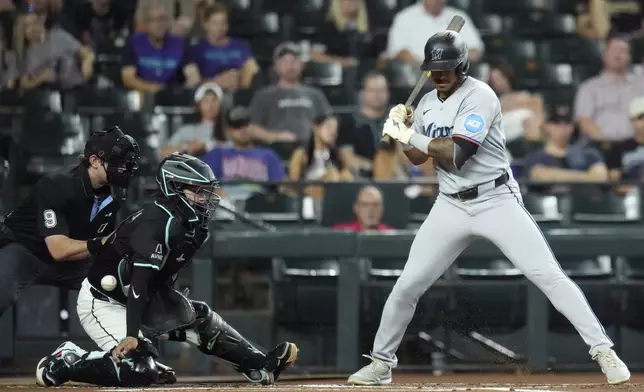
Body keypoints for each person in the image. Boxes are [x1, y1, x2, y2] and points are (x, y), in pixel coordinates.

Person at [347, 31, 630, 386]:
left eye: (447, 67)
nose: (439, 74)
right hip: (450, 203)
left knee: (546, 274)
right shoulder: (427, 104)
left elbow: (456, 153)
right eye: (434, 68)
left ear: (463, 65)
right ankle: (381, 363)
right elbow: (419, 157)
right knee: (407, 285)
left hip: (495, 200)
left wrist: (408, 135)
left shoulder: (480, 95)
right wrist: (404, 128)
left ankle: (603, 349)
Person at [35, 153, 298, 388]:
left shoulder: (193, 227)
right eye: (197, 190)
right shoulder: (156, 222)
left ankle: (259, 364)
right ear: (175, 189)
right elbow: (139, 280)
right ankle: (66, 361)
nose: (205, 197)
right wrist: (131, 335)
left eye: (205, 191)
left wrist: (166, 301)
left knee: (199, 317)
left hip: (139, 296)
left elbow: (157, 275)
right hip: (104, 301)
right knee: (138, 369)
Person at [0, 126, 140, 317]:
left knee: (126, 279)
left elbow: (101, 242)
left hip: (72, 261)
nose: (125, 169)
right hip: (25, 251)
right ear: (95, 161)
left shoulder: (116, 192)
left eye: (127, 164)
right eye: (119, 163)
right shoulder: (56, 185)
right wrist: (104, 242)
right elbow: (59, 250)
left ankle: (146, 334)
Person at [249, 42, 332, 144]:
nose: (290, 66)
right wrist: (276, 137)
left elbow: (329, 121)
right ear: (276, 67)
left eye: (294, 61)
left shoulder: (315, 94)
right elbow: (253, 129)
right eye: (285, 62)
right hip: (279, 149)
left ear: (301, 65)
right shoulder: (264, 95)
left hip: (310, 149)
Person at [201, 106, 286, 200]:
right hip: (226, 204)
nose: (243, 129)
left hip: (258, 204)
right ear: (229, 131)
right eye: (237, 126)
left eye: (246, 124)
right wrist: (216, 192)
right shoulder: (217, 154)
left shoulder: (268, 155)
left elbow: (281, 187)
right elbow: (203, 184)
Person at [121, 3, 200, 93]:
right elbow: (128, 78)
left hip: (173, 98)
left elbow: (194, 77)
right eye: (155, 20)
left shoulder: (180, 44)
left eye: (163, 19)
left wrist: (180, 93)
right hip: (143, 96)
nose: (160, 24)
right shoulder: (134, 43)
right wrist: (152, 88)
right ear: (146, 23)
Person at [191, 3, 259, 91]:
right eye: (215, 23)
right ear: (205, 24)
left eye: (223, 23)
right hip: (209, 91)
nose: (220, 28)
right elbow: (193, 82)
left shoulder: (240, 46)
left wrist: (240, 80)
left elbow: (253, 71)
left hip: (238, 90)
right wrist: (217, 81)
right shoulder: (197, 49)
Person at [287, 114, 352, 199]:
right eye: (329, 127)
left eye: (335, 129)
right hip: (307, 199)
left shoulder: (340, 155)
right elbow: (293, 184)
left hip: (334, 198)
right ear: (316, 127)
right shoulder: (301, 154)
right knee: (332, 175)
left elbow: (347, 177)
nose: (333, 132)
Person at [159, 82, 226, 158]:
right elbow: (162, 153)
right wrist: (187, 147)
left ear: (220, 103)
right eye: (206, 101)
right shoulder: (188, 131)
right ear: (199, 105)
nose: (211, 105)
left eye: (214, 100)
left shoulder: (230, 130)